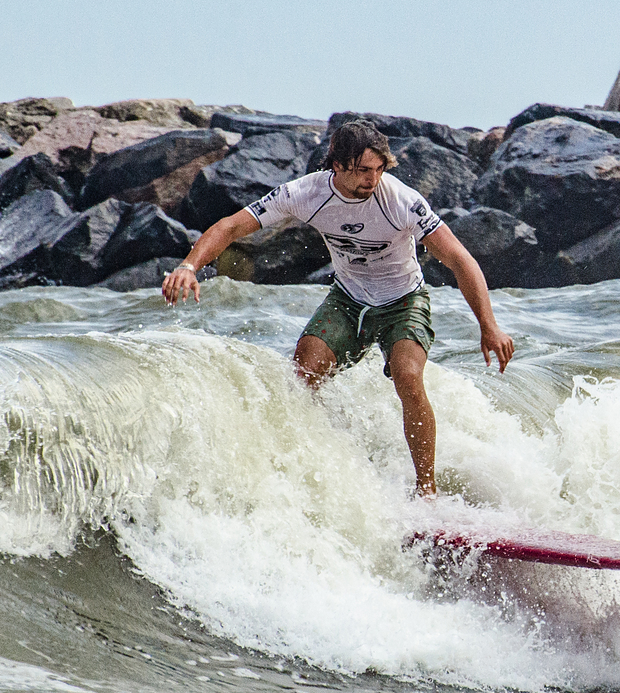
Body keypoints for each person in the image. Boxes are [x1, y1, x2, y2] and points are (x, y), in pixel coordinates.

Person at [161, 120, 514, 496]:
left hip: (404, 300)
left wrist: (488, 325)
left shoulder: (402, 201)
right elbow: (230, 227)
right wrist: (188, 266)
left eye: (380, 169)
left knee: (408, 377)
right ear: (338, 165)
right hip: (348, 299)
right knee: (305, 372)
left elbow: (460, 259)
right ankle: (322, 466)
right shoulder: (305, 193)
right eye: (364, 170)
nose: (373, 179)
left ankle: (426, 490)